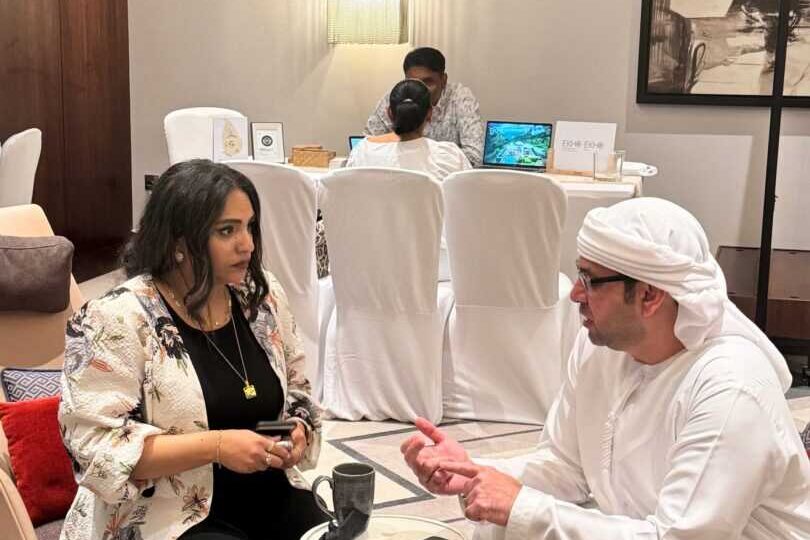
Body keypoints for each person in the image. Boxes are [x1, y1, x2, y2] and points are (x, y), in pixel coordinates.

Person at [401, 197, 810, 539]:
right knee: (501, 526)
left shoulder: (729, 387)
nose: (575, 294)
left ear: (649, 296)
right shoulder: (600, 346)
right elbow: (566, 468)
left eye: (590, 280)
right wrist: (476, 473)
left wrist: (522, 507)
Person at [58, 160, 328, 540]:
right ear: (178, 242)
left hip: (268, 492)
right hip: (166, 511)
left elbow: (298, 389)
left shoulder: (260, 296)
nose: (247, 244)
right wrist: (217, 446)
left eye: (250, 226)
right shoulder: (116, 317)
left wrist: (298, 428)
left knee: (342, 532)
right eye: (227, 230)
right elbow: (95, 447)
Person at [364, 47, 484, 167]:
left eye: (428, 82)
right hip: (399, 172)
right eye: (413, 82)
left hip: (444, 175)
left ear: (443, 80)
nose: (420, 90)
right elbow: (367, 146)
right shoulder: (396, 97)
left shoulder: (460, 98)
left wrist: (428, 165)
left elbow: (474, 156)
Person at [349, 78, 472, 181]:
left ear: (390, 113)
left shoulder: (362, 153)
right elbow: (468, 197)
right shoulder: (451, 157)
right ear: (430, 113)